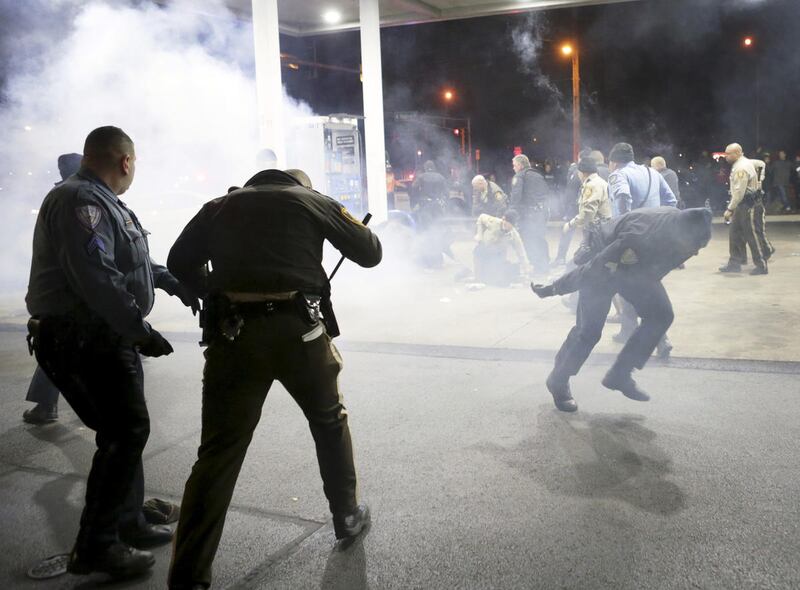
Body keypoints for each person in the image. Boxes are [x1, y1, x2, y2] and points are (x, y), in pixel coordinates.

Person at [165, 168, 381, 590]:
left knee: (218, 453)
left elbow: (177, 262)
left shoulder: (217, 207)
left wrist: (212, 292)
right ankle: (347, 516)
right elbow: (370, 251)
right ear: (298, 185)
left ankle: (188, 576)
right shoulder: (310, 200)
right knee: (328, 421)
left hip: (234, 336)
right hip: (299, 333)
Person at [25, 126, 199, 578]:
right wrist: (139, 331)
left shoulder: (102, 200)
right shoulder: (80, 201)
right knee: (124, 432)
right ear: (125, 161)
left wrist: (170, 281)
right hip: (85, 337)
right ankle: (97, 545)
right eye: (134, 163)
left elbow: (131, 260)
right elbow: (97, 276)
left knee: (125, 430)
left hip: (98, 335)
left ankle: (128, 521)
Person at [531, 207, 712, 412]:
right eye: (694, 245)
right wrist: (556, 287)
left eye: (700, 247)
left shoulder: (682, 236)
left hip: (634, 269)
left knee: (661, 314)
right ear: (681, 234)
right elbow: (595, 267)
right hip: (604, 260)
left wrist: (644, 295)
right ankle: (558, 379)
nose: (696, 251)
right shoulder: (640, 235)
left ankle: (620, 374)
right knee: (589, 331)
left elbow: (656, 269)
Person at [22, 153, 84, 425]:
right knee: (58, 348)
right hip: (72, 291)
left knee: (56, 349)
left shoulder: (66, 195)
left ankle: (46, 406)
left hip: (67, 293)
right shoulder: (74, 195)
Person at [608, 143, 677, 355]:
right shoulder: (652, 173)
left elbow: (623, 197)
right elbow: (671, 200)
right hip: (654, 240)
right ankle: (629, 330)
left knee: (636, 287)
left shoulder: (618, 175)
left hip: (632, 241)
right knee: (637, 285)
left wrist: (624, 226)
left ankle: (659, 339)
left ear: (614, 161)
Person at [719, 143, 770, 275]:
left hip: (748, 204)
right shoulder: (745, 162)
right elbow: (761, 164)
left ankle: (761, 265)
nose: (726, 156)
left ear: (737, 153)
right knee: (734, 234)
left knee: (752, 235)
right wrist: (760, 180)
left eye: (728, 154)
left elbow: (739, 193)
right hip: (744, 204)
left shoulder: (741, 167)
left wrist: (729, 209)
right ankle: (735, 262)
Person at [509, 154, 550, 275]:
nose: (514, 168)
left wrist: (510, 213)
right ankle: (544, 266)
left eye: (515, 165)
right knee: (540, 238)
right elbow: (547, 194)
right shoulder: (538, 175)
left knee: (528, 240)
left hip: (528, 215)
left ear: (520, 165)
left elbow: (516, 197)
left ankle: (536, 267)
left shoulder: (519, 176)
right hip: (541, 213)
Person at [554, 149, 592, 266]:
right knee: (589, 233)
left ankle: (561, 258)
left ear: (580, 158)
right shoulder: (593, 172)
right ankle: (587, 259)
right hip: (589, 206)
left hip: (575, 207)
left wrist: (567, 208)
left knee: (568, 231)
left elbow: (569, 192)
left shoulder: (576, 171)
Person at [473, 209, 531, 286]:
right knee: (477, 252)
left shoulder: (513, 234)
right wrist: (479, 235)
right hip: (484, 249)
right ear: (504, 219)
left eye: (513, 225)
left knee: (496, 279)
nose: (510, 227)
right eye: (509, 223)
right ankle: (479, 276)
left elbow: (521, 251)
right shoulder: (493, 222)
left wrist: (526, 267)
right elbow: (481, 217)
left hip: (497, 255)